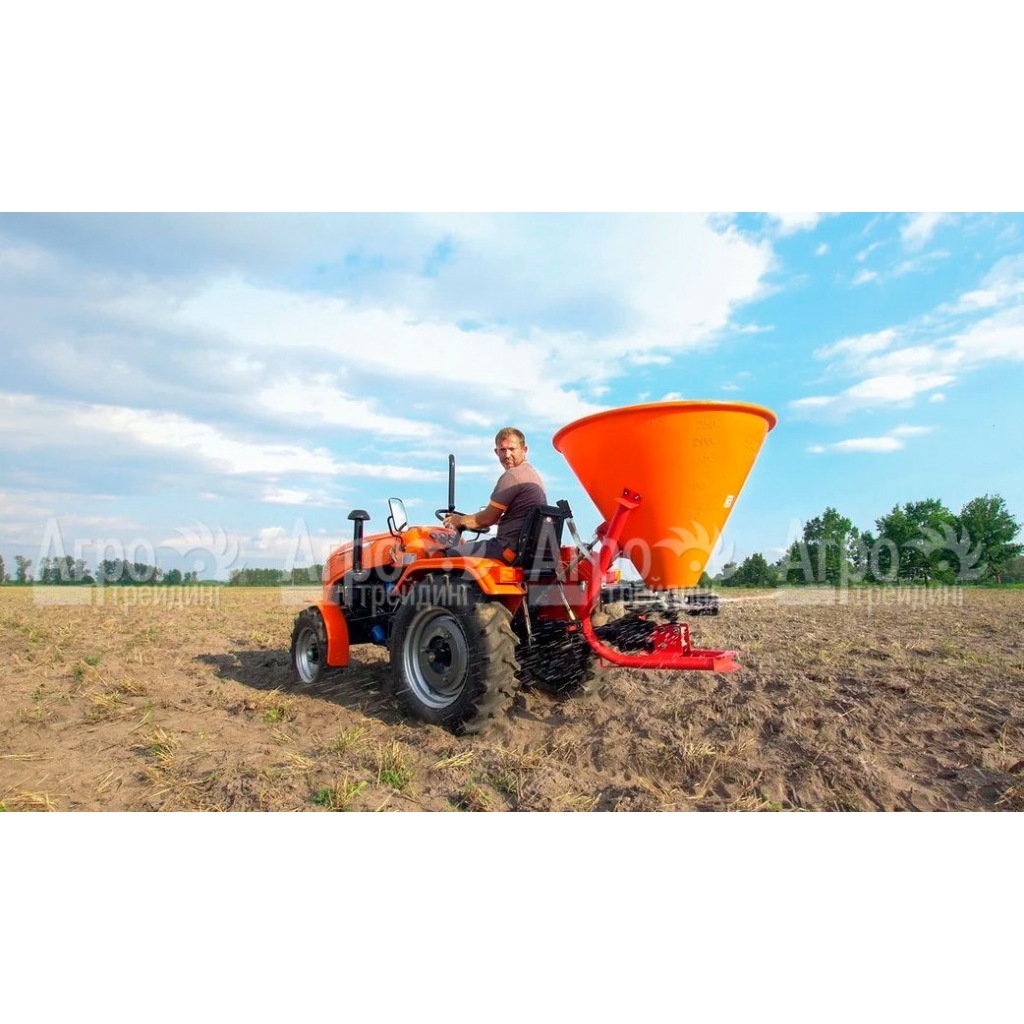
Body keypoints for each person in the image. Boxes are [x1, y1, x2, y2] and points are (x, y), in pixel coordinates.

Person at [443, 427, 548, 561]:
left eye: (512, 449)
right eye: (502, 450)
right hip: (524, 551)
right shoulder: (532, 475)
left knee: (447, 556)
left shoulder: (513, 476)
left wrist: (458, 520)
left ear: (524, 450)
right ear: (496, 452)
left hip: (507, 549)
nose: (507, 455)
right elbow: (518, 516)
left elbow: (486, 519)